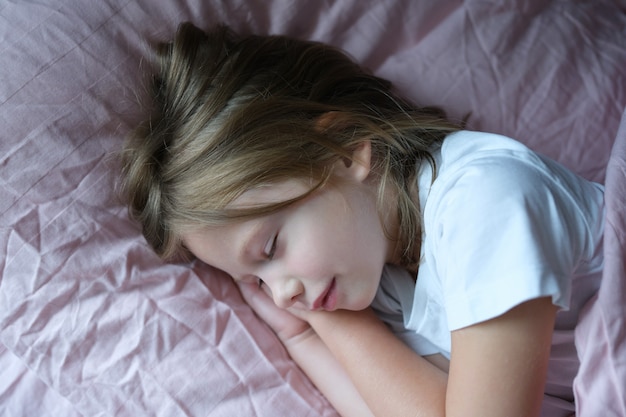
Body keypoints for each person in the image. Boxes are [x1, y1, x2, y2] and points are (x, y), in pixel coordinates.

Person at [120, 22, 605, 417]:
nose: (283, 294)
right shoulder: (387, 277)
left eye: (270, 250)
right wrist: (307, 334)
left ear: (347, 151)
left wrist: (339, 329)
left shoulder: (486, 203)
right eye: (257, 281)